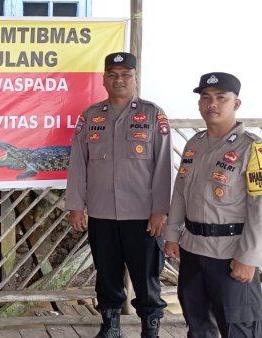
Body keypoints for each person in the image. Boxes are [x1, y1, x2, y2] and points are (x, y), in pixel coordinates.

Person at [163, 72, 262, 338]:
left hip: (231, 255)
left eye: (221, 98)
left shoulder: (255, 150)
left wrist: (248, 258)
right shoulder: (194, 144)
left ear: (235, 104)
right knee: (198, 324)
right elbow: (180, 192)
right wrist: (172, 234)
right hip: (192, 250)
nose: (212, 104)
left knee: (241, 329)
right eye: (206, 98)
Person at [66, 52, 172, 338]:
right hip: (102, 213)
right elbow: (78, 163)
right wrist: (76, 205)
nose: (119, 80)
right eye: (113, 74)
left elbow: (163, 165)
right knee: (107, 274)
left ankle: (150, 328)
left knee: (146, 275)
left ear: (135, 79)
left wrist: (161, 209)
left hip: (143, 215)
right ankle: (110, 325)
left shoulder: (153, 115)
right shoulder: (90, 117)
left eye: (126, 74)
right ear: (103, 80)